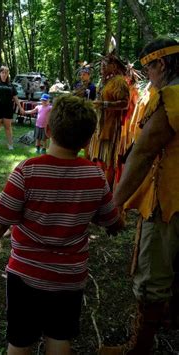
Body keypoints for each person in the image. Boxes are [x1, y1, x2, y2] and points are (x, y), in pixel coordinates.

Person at [0, 95, 123, 355]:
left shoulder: (27, 171)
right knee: (59, 338)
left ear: (47, 131)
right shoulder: (95, 176)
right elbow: (110, 219)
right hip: (69, 278)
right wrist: (115, 224)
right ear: (89, 139)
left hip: (25, 276)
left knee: (21, 343)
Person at [99, 37, 179, 355]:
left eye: (148, 69)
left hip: (168, 200)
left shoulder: (172, 96)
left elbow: (144, 151)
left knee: (152, 278)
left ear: (160, 64)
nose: (147, 77)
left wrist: (114, 206)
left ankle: (140, 349)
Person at [88, 49, 130, 187]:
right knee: (97, 158)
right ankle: (96, 187)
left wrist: (104, 104)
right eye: (101, 64)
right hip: (99, 126)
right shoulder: (104, 82)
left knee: (107, 161)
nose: (102, 67)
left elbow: (125, 103)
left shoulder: (119, 82)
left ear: (114, 66)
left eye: (105, 64)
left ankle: (104, 190)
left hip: (110, 127)